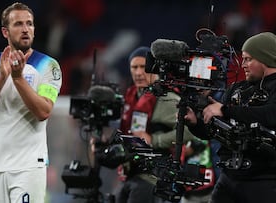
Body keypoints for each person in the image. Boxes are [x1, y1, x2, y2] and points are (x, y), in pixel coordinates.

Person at [0, 2, 62, 203]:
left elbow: (44, 111)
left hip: (28, 166)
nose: (25, 29)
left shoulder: (48, 66)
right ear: (5, 32)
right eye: (18, 24)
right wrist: (2, 78)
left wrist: (18, 78)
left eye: (29, 24)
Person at [185, 32, 276, 203]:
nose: (243, 65)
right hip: (228, 178)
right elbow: (214, 132)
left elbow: (271, 115)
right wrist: (195, 123)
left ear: (266, 59)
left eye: (248, 59)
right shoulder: (237, 89)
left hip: (264, 180)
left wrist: (226, 110)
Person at [114, 46, 194, 203]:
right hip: (131, 173)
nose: (138, 73)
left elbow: (189, 131)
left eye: (143, 67)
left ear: (154, 68)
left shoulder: (166, 98)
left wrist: (155, 140)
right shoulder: (131, 96)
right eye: (134, 67)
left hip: (153, 177)